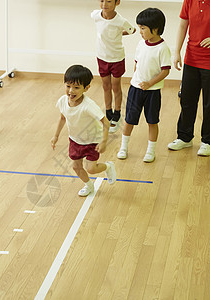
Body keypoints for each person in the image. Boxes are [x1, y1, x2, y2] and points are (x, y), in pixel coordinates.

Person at [167, 0, 210, 156]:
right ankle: (184, 137)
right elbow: (183, 25)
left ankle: (208, 141)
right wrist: (176, 51)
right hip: (191, 57)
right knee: (186, 99)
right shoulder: (190, 1)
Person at [51, 65, 117, 197]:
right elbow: (62, 118)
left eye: (76, 87)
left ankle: (108, 166)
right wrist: (56, 136)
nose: (71, 91)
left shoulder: (88, 106)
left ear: (86, 88)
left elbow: (105, 122)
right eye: (68, 86)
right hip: (75, 140)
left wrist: (104, 141)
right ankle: (88, 185)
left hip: (93, 141)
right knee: (76, 167)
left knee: (91, 169)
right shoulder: (63, 101)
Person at [116, 8, 171, 163]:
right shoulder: (141, 44)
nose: (140, 31)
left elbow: (165, 71)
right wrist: (136, 79)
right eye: (139, 27)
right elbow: (137, 63)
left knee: (152, 121)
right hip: (136, 89)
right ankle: (123, 147)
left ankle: (150, 151)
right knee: (129, 120)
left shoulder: (163, 48)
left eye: (143, 28)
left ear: (155, 29)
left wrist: (150, 83)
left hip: (152, 92)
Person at [91, 0, 135, 133]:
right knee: (105, 86)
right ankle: (108, 111)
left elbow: (132, 30)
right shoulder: (95, 15)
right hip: (102, 57)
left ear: (117, 2)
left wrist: (119, 34)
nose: (105, 4)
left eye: (109, 1)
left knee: (115, 86)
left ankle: (117, 113)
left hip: (116, 58)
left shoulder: (120, 21)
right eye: (102, 0)